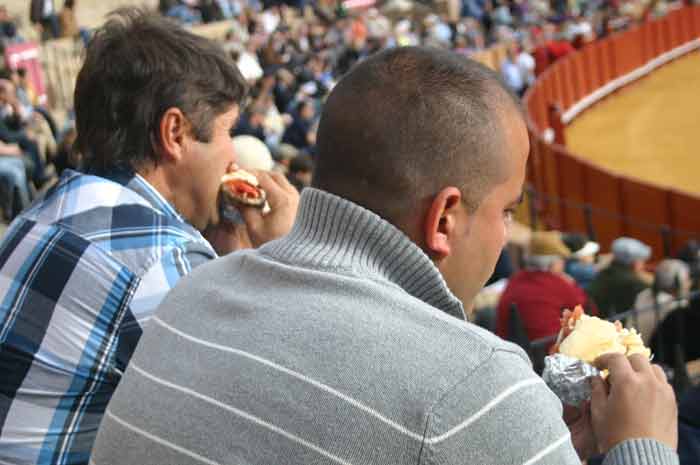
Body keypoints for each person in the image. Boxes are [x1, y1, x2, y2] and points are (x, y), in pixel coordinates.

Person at [91, 46, 677, 465]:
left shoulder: (195, 291)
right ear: (444, 219)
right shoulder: (475, 387)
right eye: (506, 210)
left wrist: (544, 445)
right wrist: (642, 446)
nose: (506, 233)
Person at [0, 10, 299, 465]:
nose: (231, 153)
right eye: (226, 131)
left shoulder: (42, 213)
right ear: (175, 132)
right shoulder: (162, 258)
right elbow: (271, 410)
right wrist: (286, 255)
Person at [496, 230, 596, 344]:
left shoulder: (514, 281)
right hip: (552, 350)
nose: (563, 264)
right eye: (561, 260)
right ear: (553, 263)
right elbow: (588, 308)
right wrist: (571, 284)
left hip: (514, 351)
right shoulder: (558, 284)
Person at [588, 237, 652, 318]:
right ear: (635, 263)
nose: (643, 265)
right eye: (642, 261)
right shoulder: (635, 284)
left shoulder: (605, 273)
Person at [633, 259, 691, 344]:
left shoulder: (643, 295)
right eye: (687, 279)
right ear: (679, 282)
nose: (689, 283)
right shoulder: (676, 306)